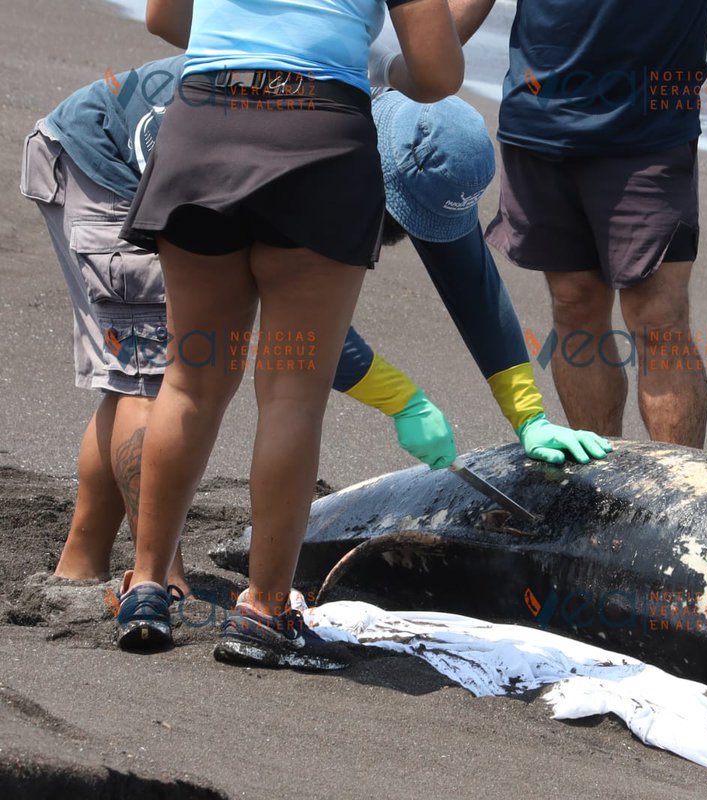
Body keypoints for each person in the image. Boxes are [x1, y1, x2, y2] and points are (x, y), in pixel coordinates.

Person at [20, 56, 609, 597]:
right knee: (160, 373)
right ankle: (158, 580)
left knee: (136, 378)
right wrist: (403, 400)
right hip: (104, 162)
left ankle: (80, 565)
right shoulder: (308, 145)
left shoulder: (410, 138)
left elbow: (472, 286)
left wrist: (527, 412)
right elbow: (296, 324)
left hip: (191, 169)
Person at [114, 0, 463, 668]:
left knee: (188, 381)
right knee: (291, 394)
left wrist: (239, 57)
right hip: (318, 136)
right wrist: (380, 70)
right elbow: (439, 71)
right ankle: (265, 610)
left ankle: (148, 587)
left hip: (205, 120)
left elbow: (162, 16)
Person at [429, 0, 707, 449]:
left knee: (659, 317)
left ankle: (678, 497)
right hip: (542, 117)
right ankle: (599, 489)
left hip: (650, 128)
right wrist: (407, 73)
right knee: (574, 303)